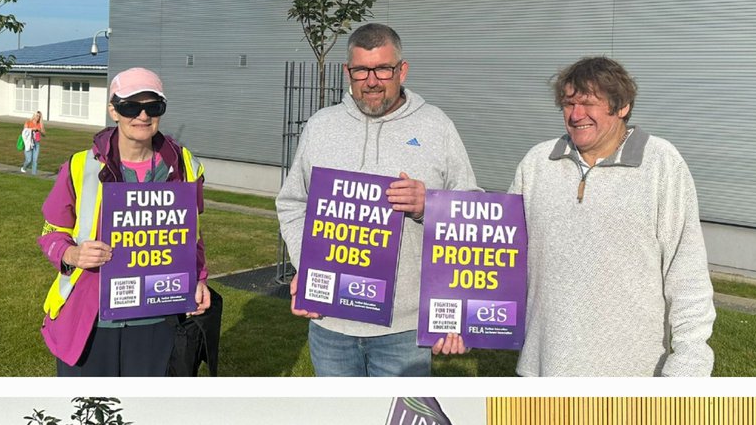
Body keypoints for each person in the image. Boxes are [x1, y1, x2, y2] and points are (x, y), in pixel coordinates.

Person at [276, 22, 478, 376]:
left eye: (383, 69)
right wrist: (306, 263)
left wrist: (428, 204)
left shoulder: (436, 125)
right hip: (330, 323)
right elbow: (293, 203)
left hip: (404, 328)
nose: (371, 81)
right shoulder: (321, 126)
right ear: (347, 72)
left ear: (402, 69)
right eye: (361, 70)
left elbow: (472, 211)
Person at [508, 55, 715, 376]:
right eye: (568, 104)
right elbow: (502, 257)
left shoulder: (661, 164)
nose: (576, 115)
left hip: (631, 377)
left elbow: (686, 270)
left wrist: (690, 361)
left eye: (588, 103)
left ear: (622, 107)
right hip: (542, 369)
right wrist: (463, 321)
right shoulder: (537, 163)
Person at [38, 67, 210, 376]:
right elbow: (51, 232)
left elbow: (192, 236)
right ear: (113, 110)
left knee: (148, 419)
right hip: (93, 320)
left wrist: (199, 280)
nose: (142, 116)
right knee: (89, 417)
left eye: (153, 106)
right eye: (131, 106)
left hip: (159, 318)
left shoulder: (186, 165)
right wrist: (72, 254)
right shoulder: (80, 167)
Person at [20, 110, 45, 175]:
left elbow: (44, 134)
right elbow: (24, 132)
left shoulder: (40, 124)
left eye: (39, 116)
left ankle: (34, 174)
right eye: (37, 116)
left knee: (35, 160)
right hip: (29, 143)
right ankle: (24, 168)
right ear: (34, 116)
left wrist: (40, 131)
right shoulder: (28, 122)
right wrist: (32, 129)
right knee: (29, 160)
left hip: (37, 143)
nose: (38, 117)